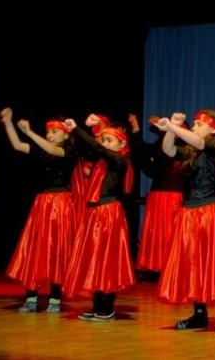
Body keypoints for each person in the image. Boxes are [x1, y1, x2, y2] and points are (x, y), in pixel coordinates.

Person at [155, 109, 215, 333]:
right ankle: (199, 314)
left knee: (213, 262)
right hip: (189, 212)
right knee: (193, 263)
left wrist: (173, 127)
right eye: (194, 124)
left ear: (213, 129)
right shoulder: (191, 150)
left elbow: (200, 142)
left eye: (200, 124)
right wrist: (171, 127)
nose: (194, 126)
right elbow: (169, 149)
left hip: (208, 212)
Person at [0, 108, 77, 313]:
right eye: (48, 131)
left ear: (66, 135)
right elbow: (17, 145)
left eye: (54, 132)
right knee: (36, 248)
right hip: (42, 203)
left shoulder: (70, 151)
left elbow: (53, 150)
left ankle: (55, 297)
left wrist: (29, 131)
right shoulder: (43, 151)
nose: (49, 135)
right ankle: (31, 296)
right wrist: (9, 123)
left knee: (58, 249)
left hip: (61, 203)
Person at [62, 114, 136, 322]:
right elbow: (89, 149)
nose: (104, 144)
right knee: (94, 259)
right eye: (103, 140)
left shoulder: (120, 160)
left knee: (107, 260)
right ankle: (97, 306)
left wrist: (76, 129)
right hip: (95, 212)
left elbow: (96, 148)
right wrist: (79, 133)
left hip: (109, 212)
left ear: (122, 144)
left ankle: (107, 308)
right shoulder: (101, 161)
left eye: (109, 140)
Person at [129, 113, 186, 277]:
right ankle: (154, 266)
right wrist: (136, 129)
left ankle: (173, 266)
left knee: (171, 232)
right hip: (157, 194)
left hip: (176, 195)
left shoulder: (186, 150)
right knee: (155, 233)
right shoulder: (160, 146)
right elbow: (142, 151)